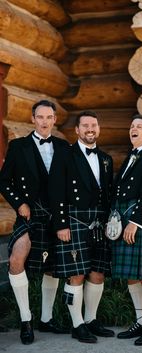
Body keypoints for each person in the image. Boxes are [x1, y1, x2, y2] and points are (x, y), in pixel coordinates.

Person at [0, 100, 69, 344]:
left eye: (48, 117)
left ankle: (47, 319)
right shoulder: (18, 146)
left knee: (53, 266)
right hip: (29, 214)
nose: (44, 121)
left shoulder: (63, 146)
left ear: (54, 119)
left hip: (55, 215)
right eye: (40, 117)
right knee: (17, 258)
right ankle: (25, 319)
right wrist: (19, 203)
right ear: (33, 119)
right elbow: (4, 180)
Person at [49, 110, 114, 344]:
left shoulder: (106, 159)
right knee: (75, 274)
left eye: (94, 125)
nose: (90, 129)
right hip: (74, 221)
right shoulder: (65, 155)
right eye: (85, 125)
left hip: (99, 222)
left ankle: (91, 319)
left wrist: (111, 223)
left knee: (97, 272)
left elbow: (107, 195)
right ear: (76, 130)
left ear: (98, 129)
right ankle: (77, 324)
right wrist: (61, 224)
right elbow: (56, 191)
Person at [110, 114, 142, 346]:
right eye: (132, 126)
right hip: (122, 218)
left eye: (139, 126)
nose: (134, 129)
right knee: (132, 277)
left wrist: (136, 221)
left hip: (135, 220)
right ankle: (141, 321)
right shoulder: (130, 157)